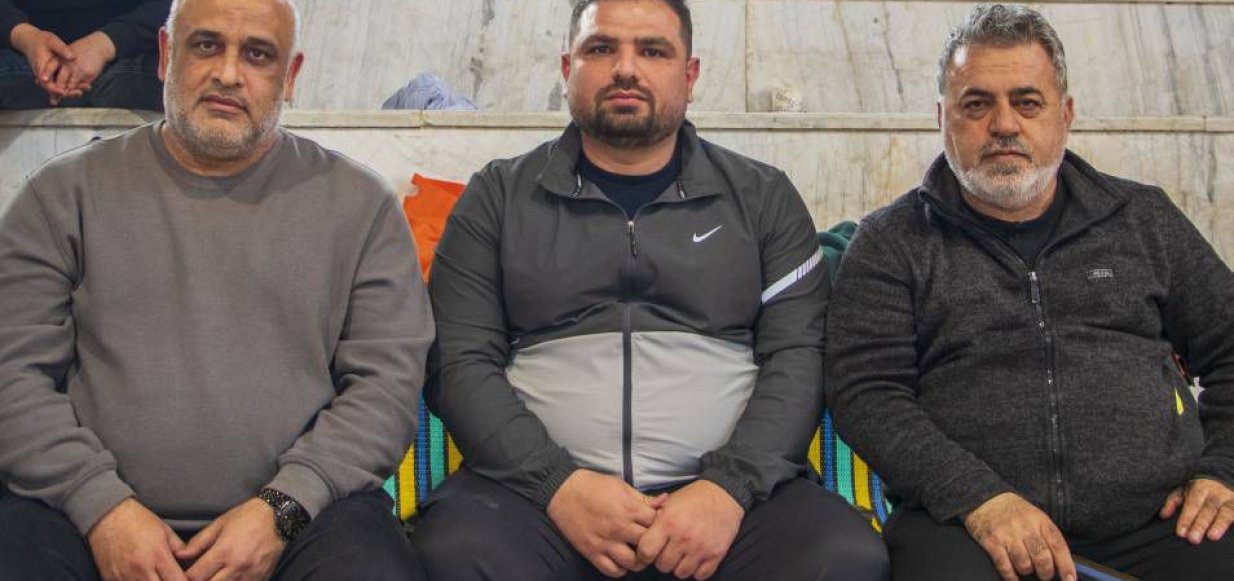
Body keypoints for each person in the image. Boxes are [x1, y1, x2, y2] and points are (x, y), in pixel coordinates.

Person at [409, 1, 890, 579]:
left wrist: (727, 490)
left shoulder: (763, 197)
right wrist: (558, 485)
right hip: (533, 498)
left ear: (689, 75)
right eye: (601, 48)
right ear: (567, 69)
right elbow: (459, 362)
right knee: (457, 555)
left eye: (653, 50)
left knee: (842, 560)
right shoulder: (498, 196)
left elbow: (800, 356)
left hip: (733, 500)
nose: (626, 68)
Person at [0, 0, 433, 579]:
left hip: (301, 516)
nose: (229, 73)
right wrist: (100, 507)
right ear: (165, 55)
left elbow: (387, 387)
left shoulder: (361, 207)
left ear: (291, 75)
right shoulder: (60, 194)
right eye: (206, 45)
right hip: (81, 513)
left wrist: (283, 507)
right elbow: (13, 375)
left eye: (258, 54)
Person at [824, 4, 1234, 581]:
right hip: (964, 523)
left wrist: (1222, 468)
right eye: (976, 104)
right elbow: (867, 393)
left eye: (1027, 102)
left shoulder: (1143, 218)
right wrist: (979, 498)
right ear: (942, 117)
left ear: (1064, 115)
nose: (1004, 125)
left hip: (1157, 520)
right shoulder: (891, 242)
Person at [1, 0, 169, 110]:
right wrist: (25, 36)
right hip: (24, 59)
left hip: (132, 59)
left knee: (177, 74)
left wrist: (107, 42)